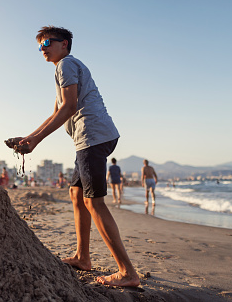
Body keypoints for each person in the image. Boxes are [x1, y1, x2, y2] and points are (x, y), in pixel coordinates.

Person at [14, 26, 139, 287]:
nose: (43, 48)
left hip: (93, 136)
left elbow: (70, 108)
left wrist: (36, 141)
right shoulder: (62, 72)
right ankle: (83, 257)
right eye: (39, 46)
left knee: (94, 202)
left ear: (65, 44)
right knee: (76, 194)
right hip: (87, 139)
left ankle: (127, 272)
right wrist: (29, 137)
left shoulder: (66, 64)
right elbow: (57, 112)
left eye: (47, 42)